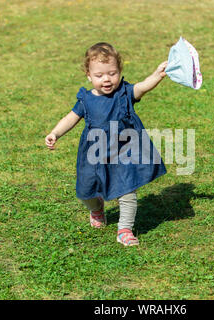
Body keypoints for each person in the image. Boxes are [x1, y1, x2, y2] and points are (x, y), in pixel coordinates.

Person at [45, 42, 168, 246]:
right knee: (85, 191)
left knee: (127, 189)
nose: (107, 79)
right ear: (89, 75)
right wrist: (55, 133)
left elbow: (142, 87)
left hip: (123, 151)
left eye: (112, 73)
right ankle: (96, 208)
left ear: (119, 71)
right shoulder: (86, 100)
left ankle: (125, 230)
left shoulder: (124, 93)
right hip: (94, 153)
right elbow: (71, 118)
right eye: (100, 75)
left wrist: (157, 75)